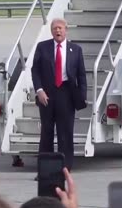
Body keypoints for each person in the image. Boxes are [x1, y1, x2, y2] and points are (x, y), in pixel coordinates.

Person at [31, 18, 87, 170]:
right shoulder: (43, 47)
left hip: (66, 94)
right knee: (47, 133)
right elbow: (35, 70)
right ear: (51, 31)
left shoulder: (75, 49)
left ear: (66, 30)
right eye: (55, 28)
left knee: (65, 132)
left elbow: (81, 75)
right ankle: (45, 170)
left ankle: (65, 168)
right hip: (47, 95)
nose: (58, 31)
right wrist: (39, 90)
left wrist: (81, 96)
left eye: (60, 28)